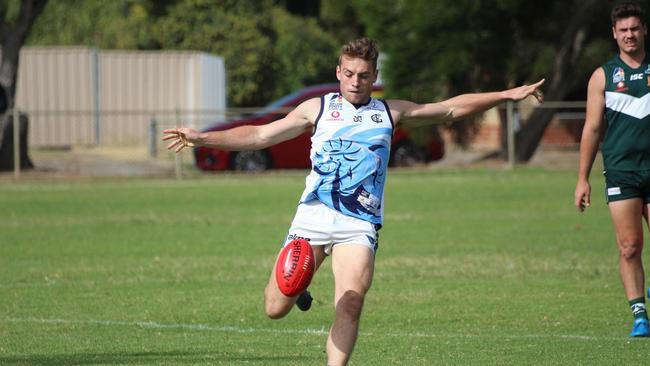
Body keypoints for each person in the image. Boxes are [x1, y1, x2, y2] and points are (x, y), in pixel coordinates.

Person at [163, 37, 544, 365]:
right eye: (349, 73)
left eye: (364, 75)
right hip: (312, 218)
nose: (356, 81)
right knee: (274, 308)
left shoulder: (390, 112)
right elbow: (262, 136)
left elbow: (450, 108)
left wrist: (506, 95)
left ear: (374, 76)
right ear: (339, 71)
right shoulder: (318, 108)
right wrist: (203, 138)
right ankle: (298, 290)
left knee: (350, 301)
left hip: (358, 224)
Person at [574, 2, 650, 337]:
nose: (629, 35)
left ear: (644, 30)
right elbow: (592, 129)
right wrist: (582, 179)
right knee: (629, 246)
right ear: (614, 34)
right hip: (621, 171)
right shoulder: (603, 76)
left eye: (634, 28)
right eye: (623, 30)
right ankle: (639, 315)